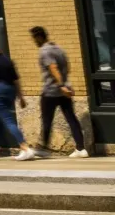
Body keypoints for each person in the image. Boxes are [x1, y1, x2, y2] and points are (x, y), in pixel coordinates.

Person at [29, 26, 90, 157]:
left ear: (39, 37)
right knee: (71, 118)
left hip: (51, 91)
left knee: (47, 120)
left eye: (34, 38)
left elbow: (53, 67)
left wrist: (61, 84)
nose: (34, 41)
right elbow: (67, 68)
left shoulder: (45, 51)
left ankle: (43, 149)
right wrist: (66, 85)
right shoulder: (59, 49)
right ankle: (81, 149)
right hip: (64, 92)